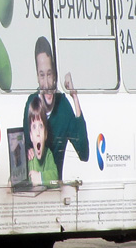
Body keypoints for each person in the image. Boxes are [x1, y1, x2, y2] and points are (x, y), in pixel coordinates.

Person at [21, 36, 88, 179]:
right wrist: (26, 152)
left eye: (50, 74)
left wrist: (74, 96)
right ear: (37, 78)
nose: (47, 83)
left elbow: (84, 153)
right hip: (34, 189)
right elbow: (24, 149)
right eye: (42, 75)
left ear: (55, 76)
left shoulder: (63, 106)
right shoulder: (31, 104)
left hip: (55, 187)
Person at [26, 98, 59, 186]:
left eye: (40, 126)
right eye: (34, 127)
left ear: (45, 134)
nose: (38, 133)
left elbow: (55, 177)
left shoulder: (48, 155)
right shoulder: (29, 158)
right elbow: (15, 178)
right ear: (31, 136)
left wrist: (40, 177)